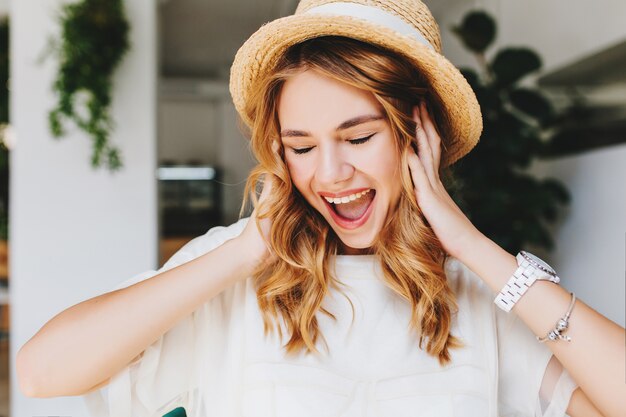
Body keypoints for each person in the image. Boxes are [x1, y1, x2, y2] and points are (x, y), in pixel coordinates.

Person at [16, 1, 625, 417]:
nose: (329, 175)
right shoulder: (236, 276)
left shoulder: (477, 295)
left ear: (419, 134)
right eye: (301, 146)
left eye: (358, 138)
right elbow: (43, 373)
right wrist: (248, 249)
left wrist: (470, 247)